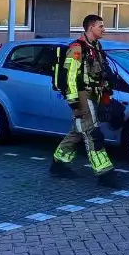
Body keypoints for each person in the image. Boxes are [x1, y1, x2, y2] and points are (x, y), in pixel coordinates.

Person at [51, 15, 121, 187]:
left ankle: (58, 164)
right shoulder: (76, 48)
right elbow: (70, 77)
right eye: (101, 26)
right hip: (83, 95)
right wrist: (74, 102)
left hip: (94, 94)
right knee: (92, 133)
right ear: (91, 28)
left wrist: (106, 93)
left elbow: (101, 73)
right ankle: (105, 173)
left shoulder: (96, 46)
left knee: (78, 131)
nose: (104, 29)